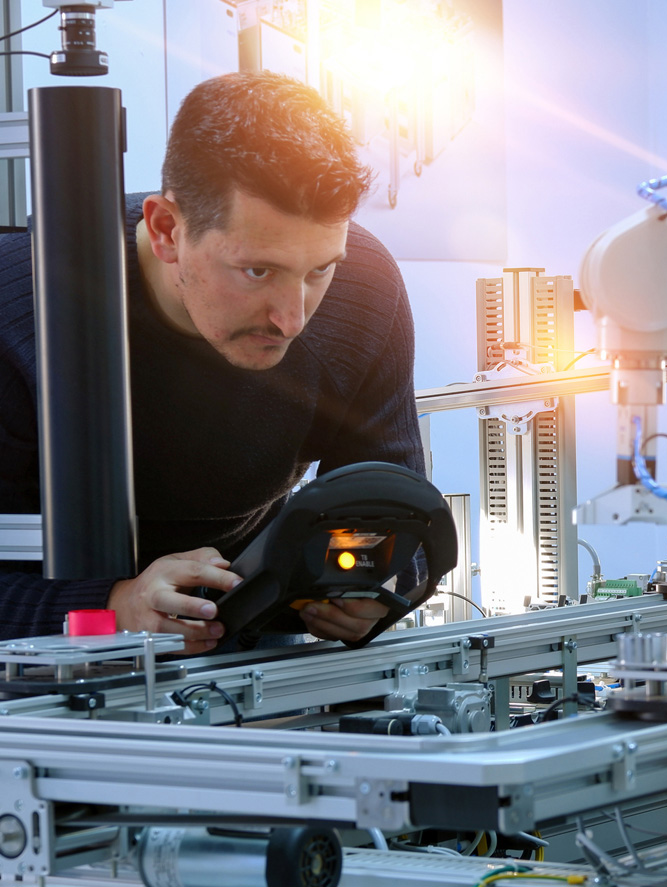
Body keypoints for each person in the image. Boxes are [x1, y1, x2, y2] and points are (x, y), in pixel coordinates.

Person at [0, 71, 426, 654]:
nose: (293, 319)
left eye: (320, 269)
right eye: (258, 271)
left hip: (246, 650)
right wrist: (111, 608)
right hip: (49, 666)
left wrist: (374, 588)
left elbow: (403, 516)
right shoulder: (16, 313)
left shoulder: (365, 289)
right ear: (166, 229)